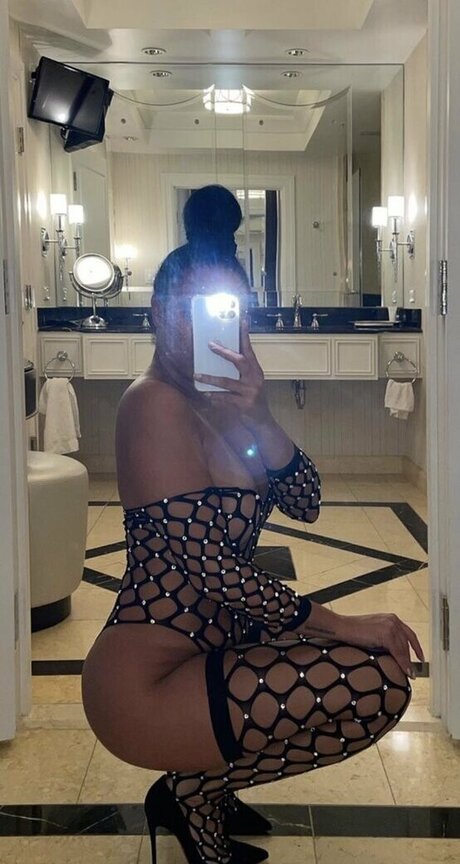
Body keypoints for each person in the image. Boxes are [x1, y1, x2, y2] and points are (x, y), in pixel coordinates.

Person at [82, 185, 424, 864]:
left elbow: (306, 499)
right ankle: (193, 793)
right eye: (193, 310)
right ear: (158, 313)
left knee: (384, 680)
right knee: (374, 682)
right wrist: (342, 622)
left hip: (215, 655)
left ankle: (198, 787)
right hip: (147, 681)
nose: (214, 329)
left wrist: (260, 414)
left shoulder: (224, 404)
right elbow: (213, 571)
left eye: (229, 310)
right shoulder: (150, 404)